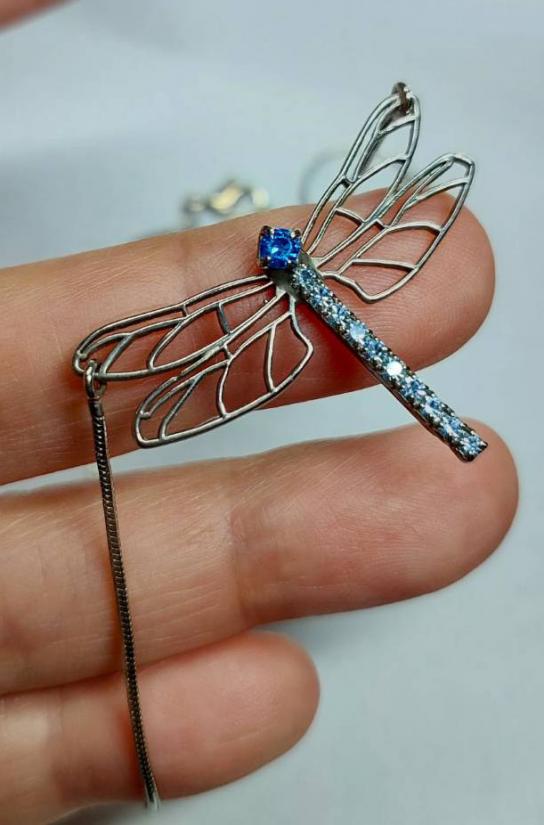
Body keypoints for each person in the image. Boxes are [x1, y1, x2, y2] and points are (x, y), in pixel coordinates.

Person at [0, 2, 518, 823]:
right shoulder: (322, 256)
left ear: (280, 258)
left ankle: (446, 431)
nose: (277, 245)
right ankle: (448, 427)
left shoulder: (264, 300)